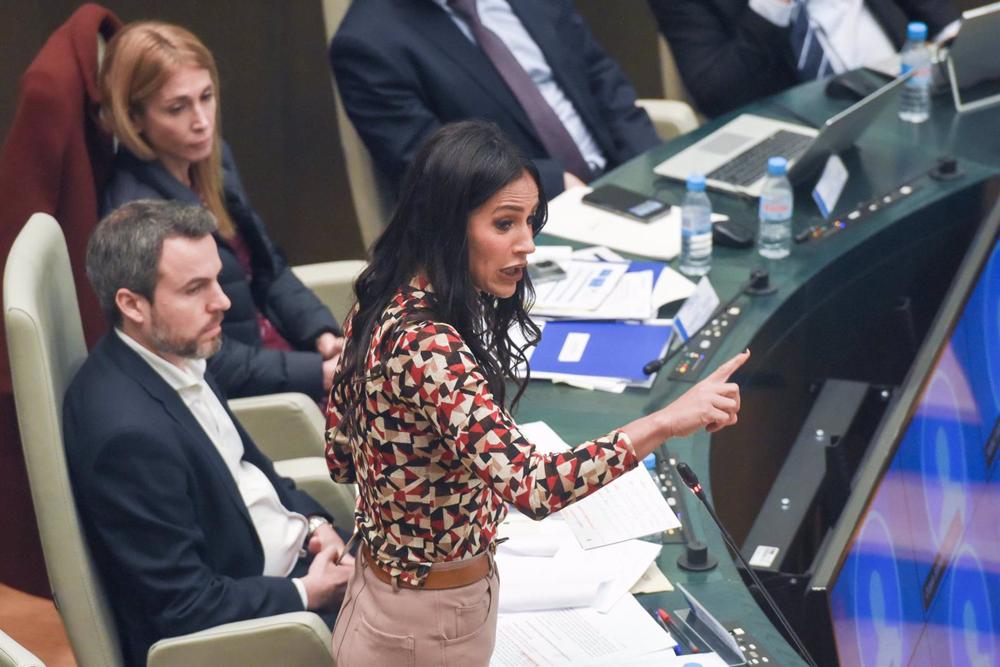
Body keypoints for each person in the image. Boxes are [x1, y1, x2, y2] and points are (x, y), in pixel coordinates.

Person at [325, 120, 749, 666]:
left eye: (529, 222)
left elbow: (341, 460)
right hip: (426, 626)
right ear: (448, 225)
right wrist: (666, 421)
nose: (526, 245)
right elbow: (534, 487)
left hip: (383, 600)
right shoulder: (429, 345)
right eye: (504, 224)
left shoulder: (380, 301)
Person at [64, 200, 354, 666]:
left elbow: (256, 472)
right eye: (196, 288)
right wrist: (308, 591)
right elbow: (182, 608)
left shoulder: (174, 351)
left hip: (301, 566)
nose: (222, 301)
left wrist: (318, 528)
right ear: (132, 304)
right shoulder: (127, 436)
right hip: (261, 633)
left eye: (218, 279)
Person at [99, 21, 343, 401]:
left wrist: (322, 334)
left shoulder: (212, 161)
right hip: (256, 397)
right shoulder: (137, 215)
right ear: (133, 119)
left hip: (286, 361)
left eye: (207, 97)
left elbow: (267, 269)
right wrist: (318, 373)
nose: (201, 121)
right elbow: (200, 356)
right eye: (177, 108)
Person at [330, 0, 661, 200]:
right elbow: (432, 166)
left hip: (623, 179)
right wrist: (550, 183)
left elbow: (599, 76)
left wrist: (651, 165)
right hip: (520, 229)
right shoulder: (367, 43)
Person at [648, 0, 960, 117]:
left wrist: (956, 37)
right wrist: (772, 7)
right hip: (798, 141)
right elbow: (719, 95)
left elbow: (937, 16)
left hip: (908, 99)